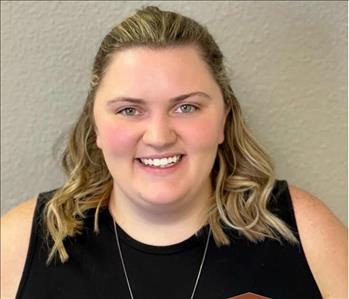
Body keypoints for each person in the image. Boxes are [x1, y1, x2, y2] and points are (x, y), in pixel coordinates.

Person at [1, 5, 347, 299]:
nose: (159, 136)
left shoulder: (304, 229)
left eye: (186, 108)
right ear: (96, 128)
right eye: (129, 110)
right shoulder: (19, 243)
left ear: (224, 118)